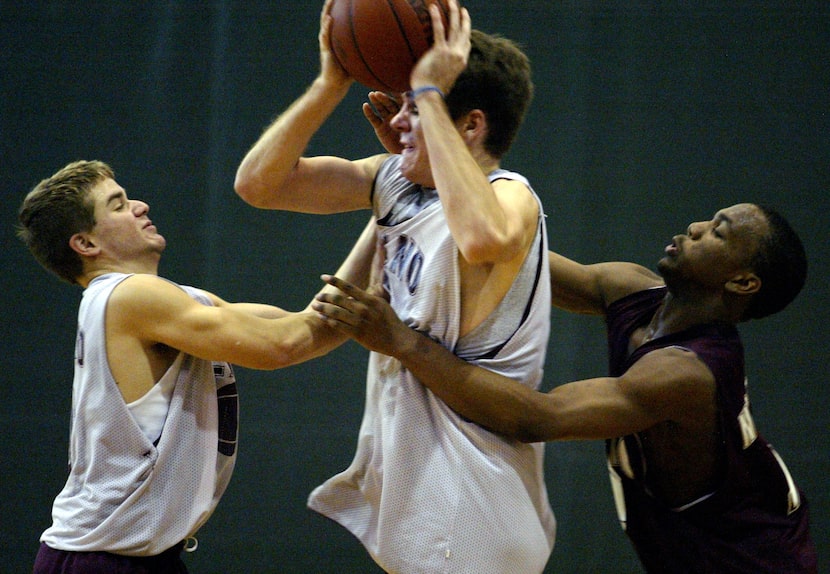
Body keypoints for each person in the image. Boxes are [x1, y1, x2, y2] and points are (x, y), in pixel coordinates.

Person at [313, 203, 818, 573]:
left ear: (743, 282)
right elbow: (515, 264)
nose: (695, 226)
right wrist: (432, 177)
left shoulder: (686, 374)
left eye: (718, 233)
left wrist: (402, 341)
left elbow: (538, 418)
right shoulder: (635, 289)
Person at [234, 0, 556, 571]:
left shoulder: (512, 194)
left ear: (470, 125)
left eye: (414, 106)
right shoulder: (395, 184)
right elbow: (259, 185)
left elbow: (481, 237)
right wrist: (331, 82)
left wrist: (429, 95)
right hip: (429, 495)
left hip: (474, 502)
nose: (399, 120)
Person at [17, 160, 377, 573]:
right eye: (117, 205)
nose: (139, 205)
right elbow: (286, 345)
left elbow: (311, 322)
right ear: (85, 244)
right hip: (104, 560)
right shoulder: (131, 296)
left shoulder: (169, 300)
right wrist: (385, 208)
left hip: (127, 556)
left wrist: (387, 220)